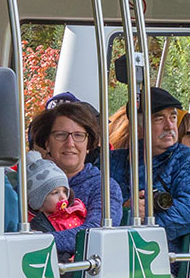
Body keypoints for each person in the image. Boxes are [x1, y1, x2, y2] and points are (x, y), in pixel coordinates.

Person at [26, 94, 124, 254]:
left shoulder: (104, 188)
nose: (70, 143)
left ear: (88, 144)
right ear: (47, 143)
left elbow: (93, 233)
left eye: (78, 135)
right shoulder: (26, 184)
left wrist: (36, 242)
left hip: (82, 273)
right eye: (60, 135)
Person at [116, 86, 190, 248]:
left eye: (172, 117)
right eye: (159, 119)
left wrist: (142, 221)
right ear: (139, 126)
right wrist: (125, 208)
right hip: (115, 250)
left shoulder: (186, 159)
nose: (169, 126)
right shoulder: (114, 161)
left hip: (165, 259)